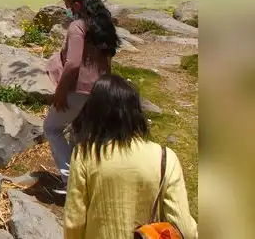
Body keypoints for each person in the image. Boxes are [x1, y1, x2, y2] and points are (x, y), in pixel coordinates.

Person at [63, 74, 197, 238]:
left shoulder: (84, 155)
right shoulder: (165, 158)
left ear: (94, 113)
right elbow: (185, 229)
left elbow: (74, 222)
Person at [45, 0, 119, 192]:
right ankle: (84, 179)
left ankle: (70, 180)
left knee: (51, 128)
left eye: (67, 6)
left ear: (77, 6)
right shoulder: (103, 27)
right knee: (79, 133)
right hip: (100, 89)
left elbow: (73, 63)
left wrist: (60, 91)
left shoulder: (78, 26)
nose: (66, 10)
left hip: (78, 90)